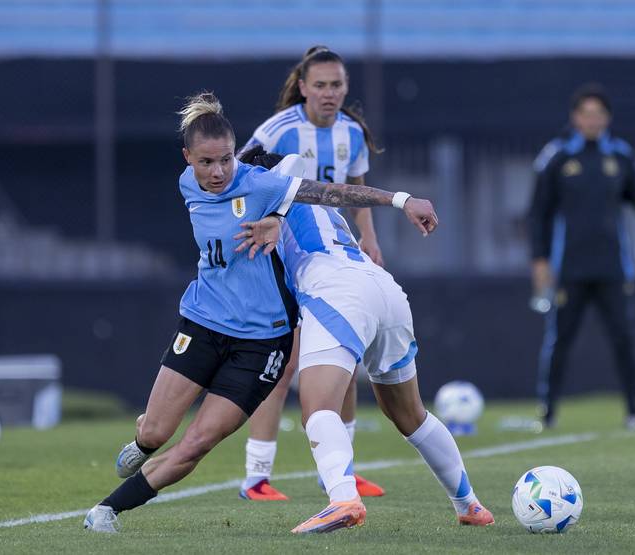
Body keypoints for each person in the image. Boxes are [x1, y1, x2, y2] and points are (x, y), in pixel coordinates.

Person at [84, 92, 437, 533]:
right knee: (156, 434)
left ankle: (106, 511)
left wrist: (401, 201)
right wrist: (277, 214)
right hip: (202, 322)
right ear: (187, 159)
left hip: (261, 344)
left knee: (196, 444)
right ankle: (143, 437)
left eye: (226, 160)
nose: (217, 172)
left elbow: (330, 191)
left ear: (237, 155)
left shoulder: (259, 183)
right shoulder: (186, 183)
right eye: (206, 162)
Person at [238, 147, 494, 533]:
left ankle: (343, 499)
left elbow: (288, 166)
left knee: (318, 407)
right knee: (410, 416)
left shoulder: (270, 190)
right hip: (383, 288)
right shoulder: (313, 206)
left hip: (338, 292)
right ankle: (469, 505)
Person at [236, 46, 385, 501]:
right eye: (319, 85)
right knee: (283, 364)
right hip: (283, 259)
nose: (329, 93)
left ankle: (339, 471)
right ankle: (256, 477)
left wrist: (370, 238)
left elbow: (354, 189)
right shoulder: (277, 131)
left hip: (332, 260)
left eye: (336, 85)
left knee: (346, 357)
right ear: (302, 87)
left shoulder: (351, 134)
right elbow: (237, 179)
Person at [528, 83, 635, 431]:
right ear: (575, 117)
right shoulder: (557, 157)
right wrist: (540, 261)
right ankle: (548, 411)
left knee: (624, 338)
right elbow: (538, 213)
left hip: (613, 268)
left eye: (598, 114)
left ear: (608, 118)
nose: (592, 120)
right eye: (585, 113)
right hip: (569, 268)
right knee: (560, 340)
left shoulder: (620, 156)